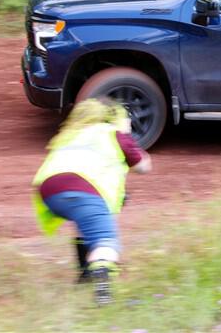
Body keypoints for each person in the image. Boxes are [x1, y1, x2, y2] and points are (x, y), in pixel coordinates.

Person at [32, 98, 151, 305]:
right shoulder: (114, 134)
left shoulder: (71, 135)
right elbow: (143, 166)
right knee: (105, 240)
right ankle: (104, 295)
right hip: (82, 189)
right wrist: (127, 135)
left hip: (49, 191)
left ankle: (85, 275)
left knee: (84, 223)